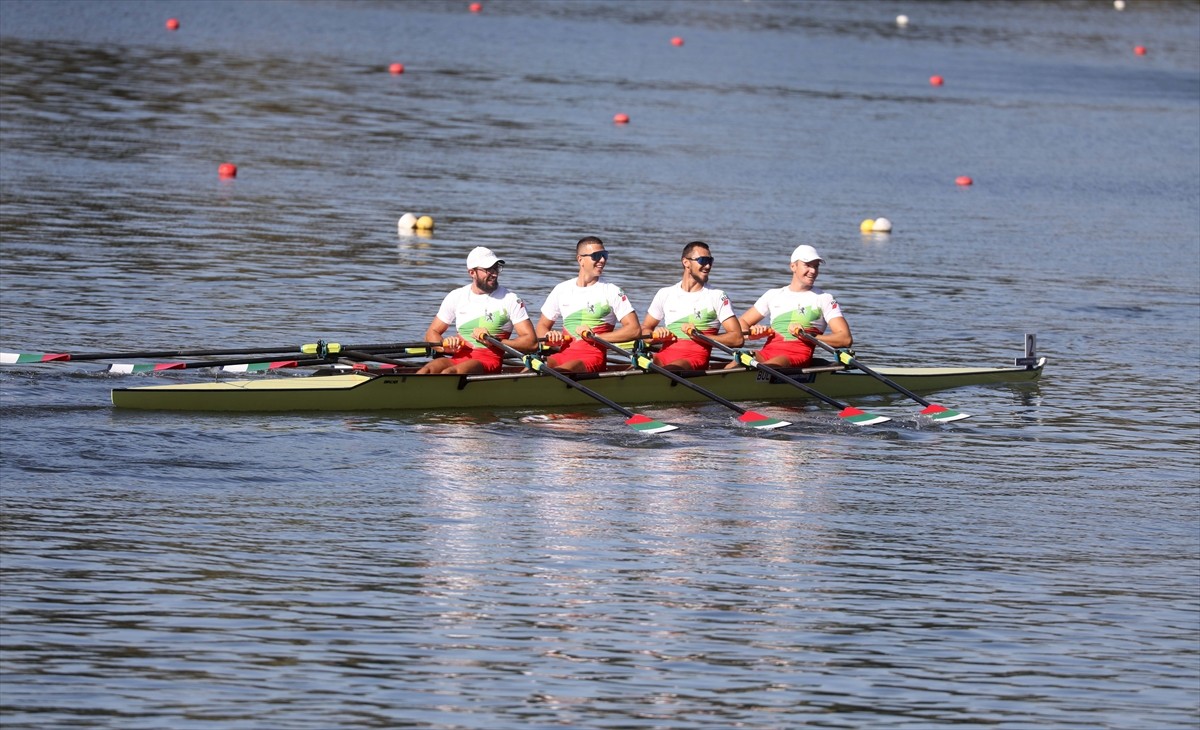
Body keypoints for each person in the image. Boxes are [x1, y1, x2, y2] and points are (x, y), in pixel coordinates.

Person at [416, 246, 537, 374]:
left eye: (496, 268)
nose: (495, 273)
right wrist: (444, 345)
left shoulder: (510, 299)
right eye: (488, 270)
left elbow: (532, 343)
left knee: (449, 373)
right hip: (459, 357)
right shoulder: (456, 296)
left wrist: (496, 342)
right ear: (472, 273)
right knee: (426, 370)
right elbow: (431, 333)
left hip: (487, 361)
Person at [735, 244, 852, 368]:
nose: (813, 271)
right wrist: (752, 334)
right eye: (807, 265)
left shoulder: (824, 299)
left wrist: (809, 336)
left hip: (795, 356)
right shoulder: (773, 295)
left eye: (816, 266)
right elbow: (741, 323)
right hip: (767, 353)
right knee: (735, 363)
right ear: (793, 266)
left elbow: (845, 339)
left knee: (769, 367)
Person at [535, 236, 640, 373]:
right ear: (580, 260)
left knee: (563, 370)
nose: (602, 260)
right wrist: (550, 337)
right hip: (563, 355)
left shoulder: (612, 291)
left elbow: (634, 329)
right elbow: (542, 327)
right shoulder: (561, 289)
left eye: (604, 255)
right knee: (531, 367)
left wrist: (596, 337)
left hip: (591, 358)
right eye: (596, 256)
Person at [641, 241, 743, 370]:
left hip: (692, 361)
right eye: (703, 260)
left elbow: (737, 339)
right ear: (686, 262)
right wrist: (655, 335)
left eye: (710, 261)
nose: (708, 266)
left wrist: (701, 337)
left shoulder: (717, 296)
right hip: (663, 358)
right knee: (638, 364)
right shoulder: (665, 293)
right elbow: (645, 330)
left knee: (672, 368)